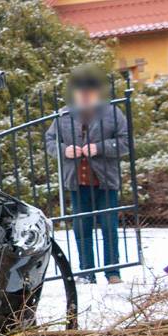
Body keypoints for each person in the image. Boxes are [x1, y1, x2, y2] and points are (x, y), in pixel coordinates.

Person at [45, 65, 129, 285]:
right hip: (76, 181)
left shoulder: (113, 112)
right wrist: (64, 150)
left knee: (109, 226)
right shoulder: (62, 114)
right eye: (80, 92)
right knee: (82, 228)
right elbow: (49, 141)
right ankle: (86, 272)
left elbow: (126, 142)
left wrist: (100, 148)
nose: (84, 96)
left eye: (88, 92)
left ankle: (113, 272)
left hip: (105, 181)